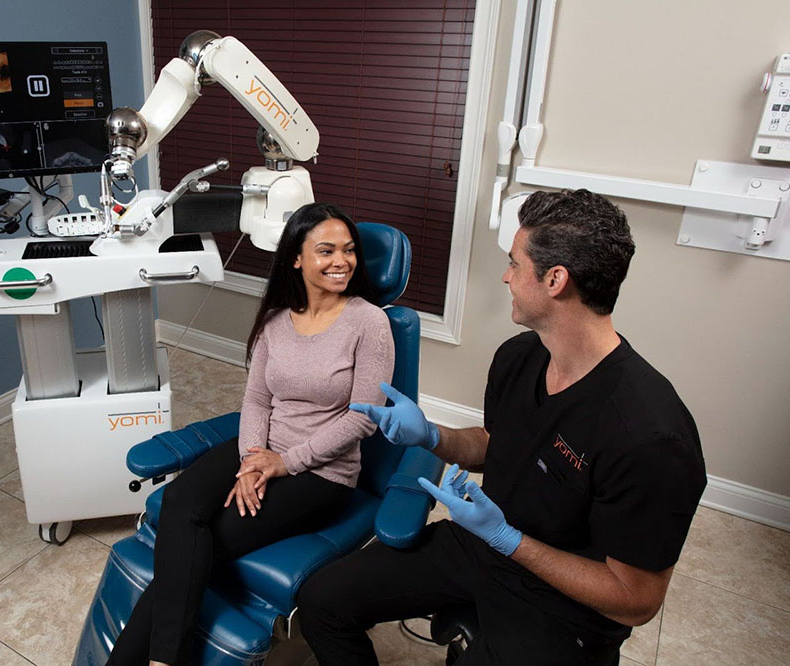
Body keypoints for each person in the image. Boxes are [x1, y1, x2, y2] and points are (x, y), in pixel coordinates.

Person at [296, 189, 707, 665]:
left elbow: (635, 600)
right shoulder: (520, 356)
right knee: (322, 602)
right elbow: (496, 444)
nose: (506, 276)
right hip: (483, 549)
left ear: (555, 280)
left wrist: (510, 540)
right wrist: (432, 435)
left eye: (515, 263)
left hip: (563, 607)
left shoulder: (652, 437)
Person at [107, 202, 395, 666]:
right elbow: (257, 400)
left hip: (321, 473)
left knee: (201, 546)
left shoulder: (369, 322)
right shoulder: (276, 321)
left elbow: (365, 418)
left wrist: (285, 462)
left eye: (349, 250)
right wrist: (251, 461)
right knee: (180, 504)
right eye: (326, 251)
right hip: (262, 450)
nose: (342, 261)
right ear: (296, 258)